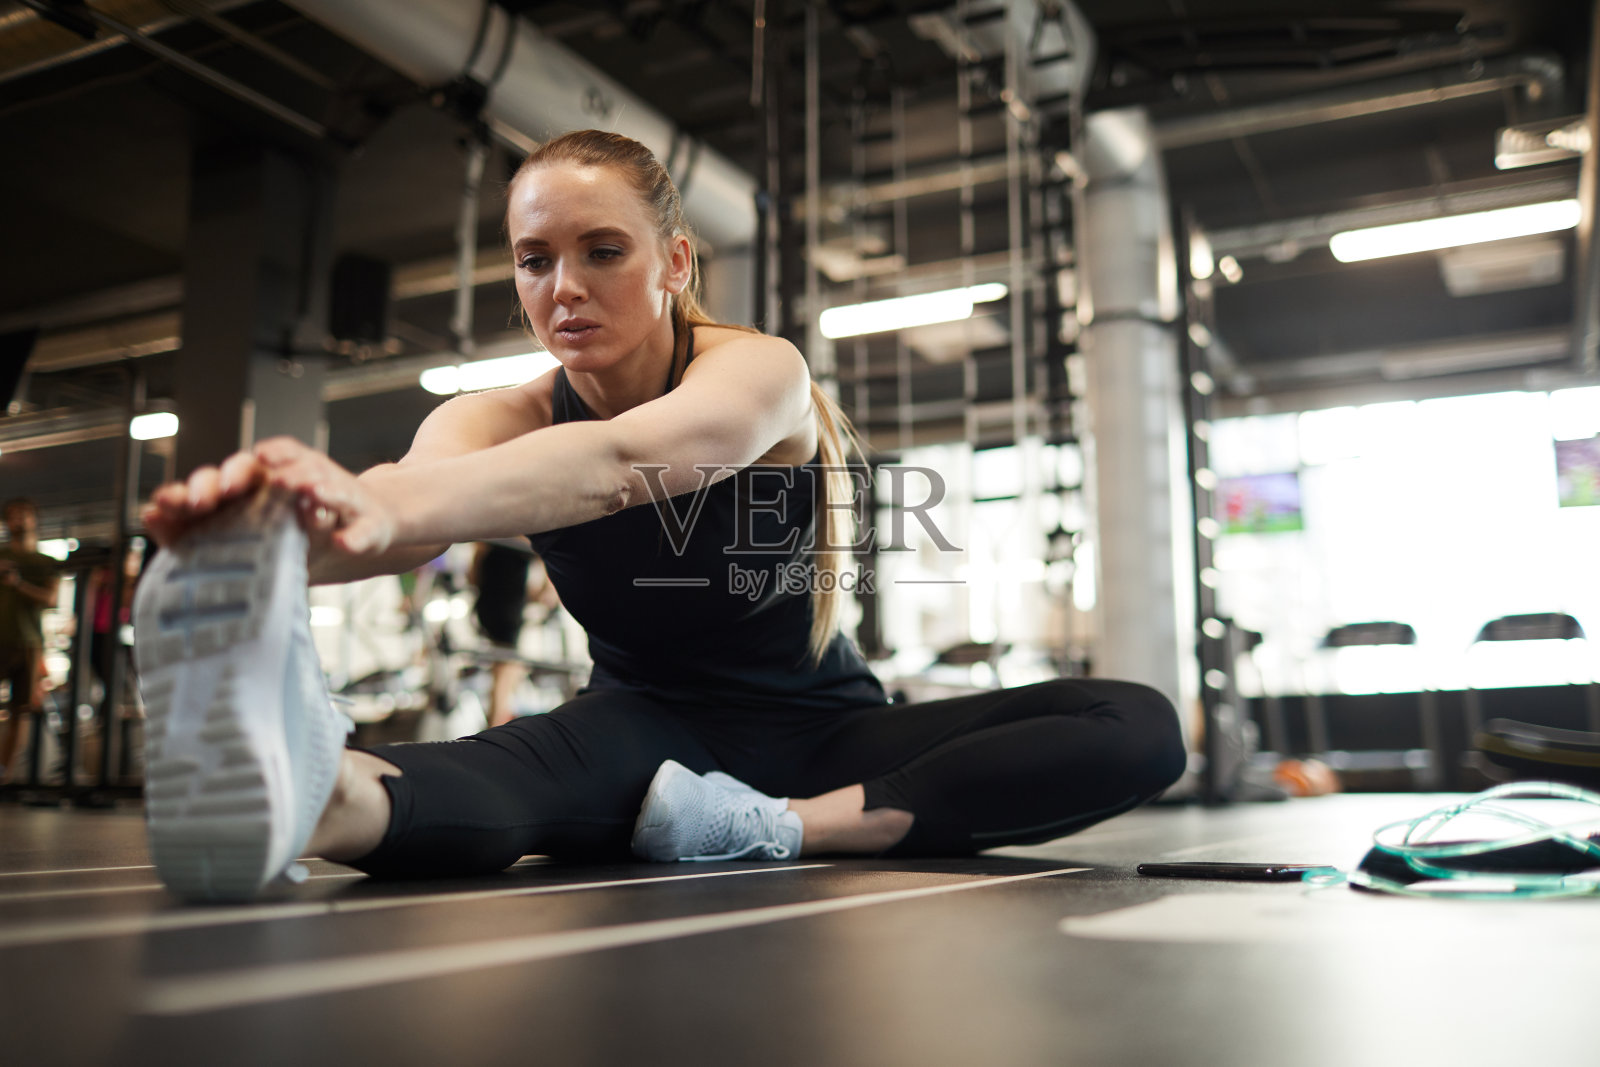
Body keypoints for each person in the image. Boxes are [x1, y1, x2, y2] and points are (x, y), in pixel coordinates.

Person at [133, 129, 1186, 901]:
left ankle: (781, 831)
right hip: (646, 731)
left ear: (674, 262)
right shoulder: (490, 413)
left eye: (603, 250)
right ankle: (308, 795)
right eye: (534, 259)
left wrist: (374, 500)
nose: (564, 288)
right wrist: (273, 533)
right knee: (476, 790)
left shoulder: (756, 371)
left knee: (1134, 722)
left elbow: (627, 460)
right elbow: (410, 519)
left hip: (829, 734)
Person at [0, 498, 62, 785]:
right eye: (14, 516)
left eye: (24, 515)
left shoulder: (45, 562)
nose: (19, 521)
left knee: (20, 711)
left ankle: (4, 773)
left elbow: (52, 598)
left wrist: (18, 584)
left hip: (28, 642)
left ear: (34, 519)